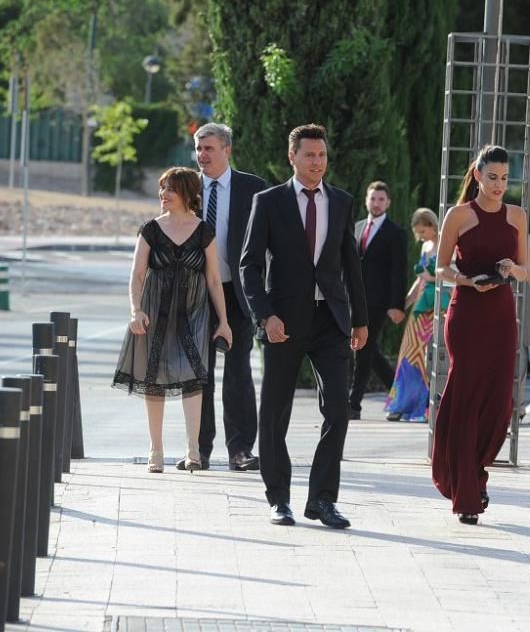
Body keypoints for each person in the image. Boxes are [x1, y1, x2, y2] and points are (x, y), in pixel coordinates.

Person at [240, 124, 368, 528]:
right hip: (284, 322)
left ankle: (323, 501)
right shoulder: (269, 201)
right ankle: (279, 498)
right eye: (309, 155)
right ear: (292, 157)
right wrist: (265, 314)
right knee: (275, 412)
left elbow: (351, 265)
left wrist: (360, 320)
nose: (317, 162)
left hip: (330, 320)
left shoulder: (342, 202)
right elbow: (250, 264)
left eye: (322, 155)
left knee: (338, 409)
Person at [431, 145, 529, 525]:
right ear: (477, 175)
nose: (499, 185)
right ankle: (469, 488)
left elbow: (526, 270)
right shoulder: (458, 215)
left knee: (499, 401)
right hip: (467, 313)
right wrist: (468, 279)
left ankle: (475, 470)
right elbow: (440, 269)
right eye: (492, 177)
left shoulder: (517, 216)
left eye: (505, 178)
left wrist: (511, 269)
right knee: (466, 396)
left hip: (502, 316)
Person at [113, 167, 232, 473]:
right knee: (155, 377)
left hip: (194, 313)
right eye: (162, 188)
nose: (163, 194)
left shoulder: (204, 231)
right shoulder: (151, 229)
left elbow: (215, 280)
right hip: (155, 313)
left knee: (194, 377)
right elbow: (137, 275)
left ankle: (192, 450)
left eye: (170, 189)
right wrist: (135, 310)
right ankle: (155, 450)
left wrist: (224, 321)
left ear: (187, 193)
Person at [187, 122, 267, 472]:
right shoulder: (186, 188)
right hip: (196, 293)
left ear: (227, 150)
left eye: (209, 148)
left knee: (238, 370)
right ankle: (199, 449)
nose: (202, 155)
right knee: (199, 371)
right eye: (199, 148)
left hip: (237, 293)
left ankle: (240, 449)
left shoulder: (253, 188)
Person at [384, 208, 450, 423]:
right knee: (408, 354)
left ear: (432, 226)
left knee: (428, 356)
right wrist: (404, 303)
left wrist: (426, 276)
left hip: (438, 306)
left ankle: (426, 405)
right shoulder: (425, 246)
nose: (420, 236)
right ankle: (402, 404)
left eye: (423, 231)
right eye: (418, 232)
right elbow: (419, 280)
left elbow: (444, 276)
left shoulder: (444, 245)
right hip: (420, 307)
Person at [349, 181, 407, 420]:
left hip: (379, 302)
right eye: (373, 198)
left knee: (363, 350)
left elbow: (398, 271)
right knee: (369, 350)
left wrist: (396, 305)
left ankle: (353, 405)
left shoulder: (395, 233)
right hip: (354, 298)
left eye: (381, 199)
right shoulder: (357, 227)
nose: (376, 203)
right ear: (366, 200)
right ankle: (402, 394)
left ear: (388, 203)